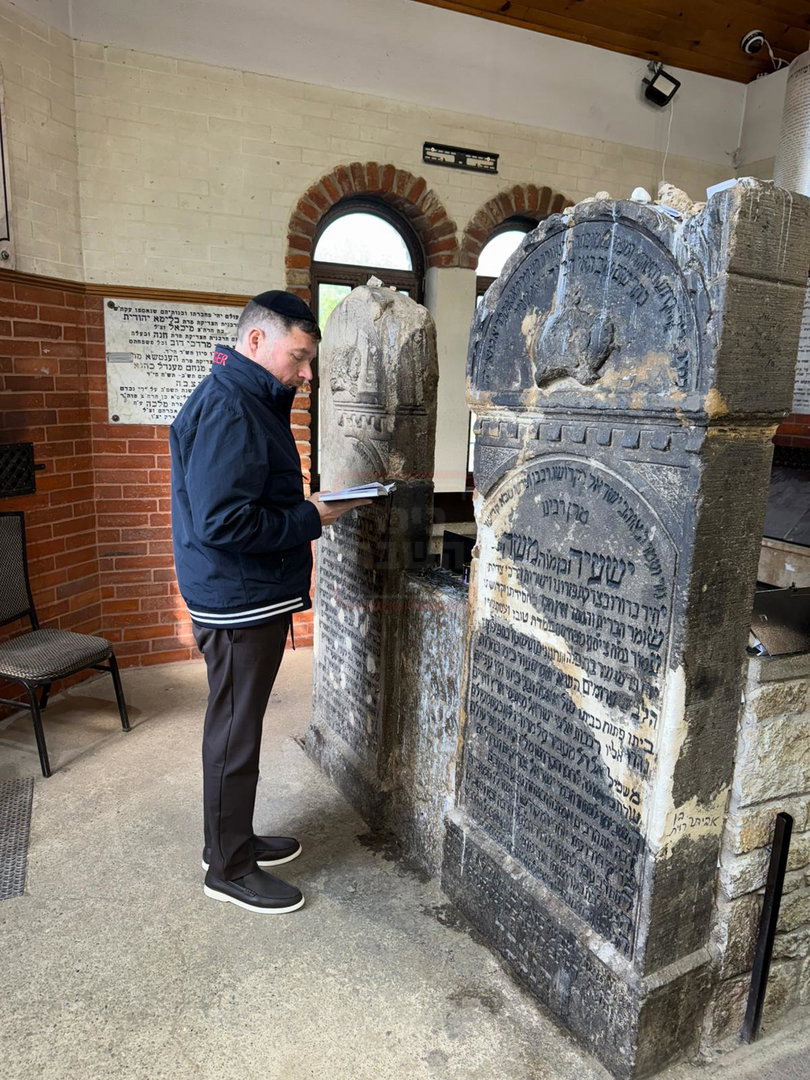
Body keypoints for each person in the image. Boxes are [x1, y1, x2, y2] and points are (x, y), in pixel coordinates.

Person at [169, 290, 368, 914]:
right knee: (233, 732)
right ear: (256, 341)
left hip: (240, 592)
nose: (307, 375)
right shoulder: (234, 407)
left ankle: (233, 840)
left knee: (239, 726)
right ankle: (226, 869)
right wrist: (312, 516)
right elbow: (223, 524)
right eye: (300, 357)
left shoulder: (246, 396)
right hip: (235, 597)